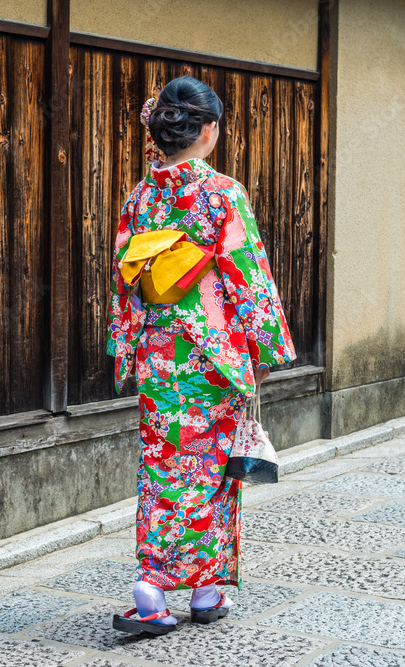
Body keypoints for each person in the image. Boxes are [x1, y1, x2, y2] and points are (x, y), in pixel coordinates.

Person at [106, 76, 297, 635]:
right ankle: (167, 588)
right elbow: (245, 275)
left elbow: (126, 281)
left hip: (160, 353)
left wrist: (127, 346)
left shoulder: (138, 196)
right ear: (207, 130)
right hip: (212, 355)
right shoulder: (221, 193)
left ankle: (190, 587)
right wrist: (271, 344)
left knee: (165, 468)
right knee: (213, 470)